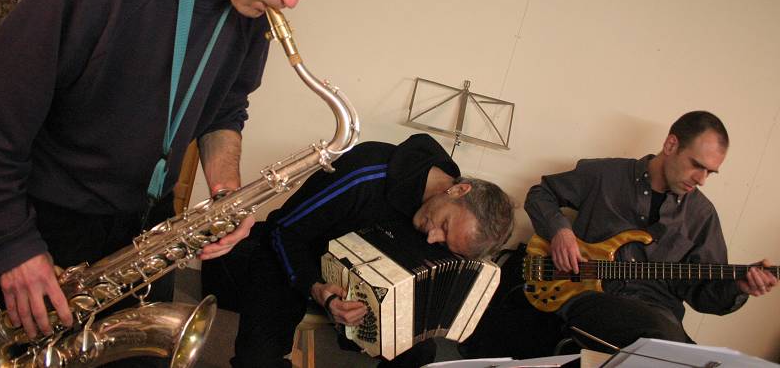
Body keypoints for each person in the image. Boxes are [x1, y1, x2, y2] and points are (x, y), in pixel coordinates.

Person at [0, 0, 362, 359]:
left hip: (142, 236)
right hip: (39, 228)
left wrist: (225, 188)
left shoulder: (253, 11)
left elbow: (226, 108)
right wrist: (12, 244)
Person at [202, 133, 514, 368]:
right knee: (256, 360)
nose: (432, 239)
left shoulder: (443, 212)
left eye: (445, 244)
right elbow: (284, 232)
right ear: (458, 189)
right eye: (444, 226)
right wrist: (319, 289)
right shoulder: (365, 173)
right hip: (293, 256)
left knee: (421, 353)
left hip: (361, 278)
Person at [524, 110, 777, 350]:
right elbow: (540, 194)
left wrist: (739, 287)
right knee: (662, 339)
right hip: (587, 297)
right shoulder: (606, 174)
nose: (701, 179)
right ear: (670, 145)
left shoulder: (701, 215)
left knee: (701, 359)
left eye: (710, 172)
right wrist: (560, 231)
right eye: (697, 165)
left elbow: (703, 295)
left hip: (659, 315)